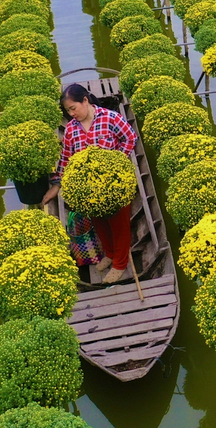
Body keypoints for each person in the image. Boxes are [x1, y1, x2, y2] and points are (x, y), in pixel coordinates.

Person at [44, 84, 138, 284]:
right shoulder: (71, 129)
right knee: (99, 223)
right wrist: (56, 185)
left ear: (85, 100)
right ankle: (110, 254)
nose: (71, 113)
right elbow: (66, 158)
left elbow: (130, 138)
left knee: (119, 224)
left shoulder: (110, 118)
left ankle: (120, 264)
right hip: (89, 191)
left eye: (73, 108)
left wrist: (115, 164)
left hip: (114, 185)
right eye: (68, 111)